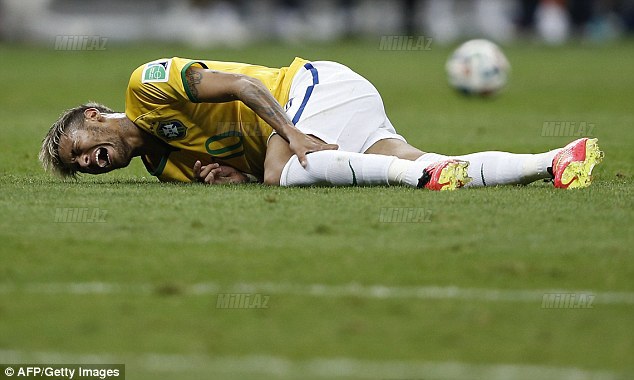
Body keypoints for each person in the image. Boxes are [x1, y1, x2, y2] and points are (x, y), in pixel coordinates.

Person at [39, 56, 603, 190]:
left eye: (81, 146)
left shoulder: (148, 85)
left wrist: (288, 133)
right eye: (81, 166)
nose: (91, 161)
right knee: (420, 159)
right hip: (326, 109)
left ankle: (417, 181)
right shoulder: (167, 168)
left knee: (285, 172)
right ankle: (556, 162)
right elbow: (244, 163)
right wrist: (234, 180)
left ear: (93, 116)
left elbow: (243, 86)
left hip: (311, 89)